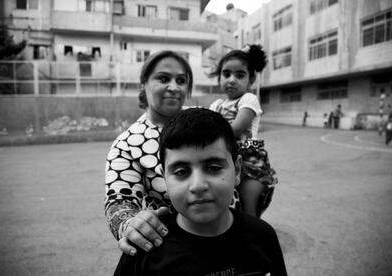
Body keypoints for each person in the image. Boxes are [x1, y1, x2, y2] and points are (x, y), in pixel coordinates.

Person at [114, 108, 287, 276]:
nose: (197, 185)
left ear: (237, 170)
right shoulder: (145, 247)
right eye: (181, 172)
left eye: (213, 168)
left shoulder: (263, 236)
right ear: (165, 177)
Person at [104, 50, 241, 256]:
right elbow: (119, 202)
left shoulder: (204, 118)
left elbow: (236, 148)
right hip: (179, 254)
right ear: (144, 84)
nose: (174, 87)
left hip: (235, 237)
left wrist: (256, 154)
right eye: (163, 78)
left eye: (181, 80)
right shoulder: (127, 144)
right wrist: (130, 225)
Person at [209, 44, 277, 217]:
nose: (232, 79)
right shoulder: (216, 105)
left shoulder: (249, 99)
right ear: (219, 78)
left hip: (249, 157)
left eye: (239, 75)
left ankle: (253, 238)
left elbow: (236, 129)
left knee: (248, 211)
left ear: (251, 80)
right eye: (226, 74)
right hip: (224, 154)